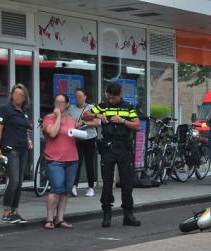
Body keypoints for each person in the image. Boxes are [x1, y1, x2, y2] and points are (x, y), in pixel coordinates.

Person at [82, 83, 141, 228]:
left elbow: (138, 125)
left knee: (127, 183)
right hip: (108, 148)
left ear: (119, 95)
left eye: (114, 98)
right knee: (107, 184)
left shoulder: (128, 107)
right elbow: (85, 115)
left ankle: (128, 214)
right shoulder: (103, 106)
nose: (111, 100)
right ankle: (107, 214)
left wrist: (123, 121)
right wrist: (97, 114)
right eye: (109, 97)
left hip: (124, 148)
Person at [0, 84, 33, 224]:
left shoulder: (23, 112)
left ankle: (15, 211)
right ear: (11, 95)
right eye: (16, 94)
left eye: (21, 95)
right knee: (14, 180)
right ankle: (6, 212)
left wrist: (28, 140)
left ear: (24, 98)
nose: (18, 97)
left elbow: (24, 129)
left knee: (20, 182)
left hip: (23, 149)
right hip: (11, 149)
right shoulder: (5, 110)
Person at [42, 94, 79, 229]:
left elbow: (76, 138)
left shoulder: (71, 120)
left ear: (67, 104)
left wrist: (80, 132)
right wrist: (58, 117)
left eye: (61, 102)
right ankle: (49, 219)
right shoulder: (48, 118)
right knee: (56, 188)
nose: (58, 104)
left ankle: (60, 219)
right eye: (56, 102)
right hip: (54, 159)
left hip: (72, 159)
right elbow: (52, 133)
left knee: (65, 191)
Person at [68, 88, 99, 197]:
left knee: (89, 162)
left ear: (85, 97)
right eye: (76, 97)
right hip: (77, 138)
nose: (78, 99)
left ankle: (91, 187)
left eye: (80, 97)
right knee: (77, 162)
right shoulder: (71, 108)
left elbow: (96, 122)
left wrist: (83, 123)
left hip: (89, 138)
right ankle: (74, 186)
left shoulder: (91, 108)